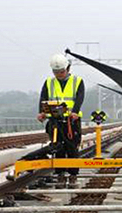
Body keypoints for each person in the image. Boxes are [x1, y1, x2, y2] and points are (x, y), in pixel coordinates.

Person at [37, 53, 85, 187]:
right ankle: (60, 174)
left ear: (68, 69)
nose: (59, 74)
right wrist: (41, 113)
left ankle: (73, 175)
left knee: (72, 147)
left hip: (71, 121)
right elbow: (43, 98)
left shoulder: (77, 81)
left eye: (61, 71)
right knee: (57, 147)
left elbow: (79, 98)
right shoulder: (48, 82)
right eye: (56, 72)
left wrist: (75, 112)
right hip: (55, 121)